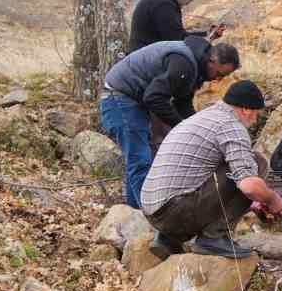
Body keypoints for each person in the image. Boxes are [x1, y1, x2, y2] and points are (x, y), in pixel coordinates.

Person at [141, 80, 282, 260]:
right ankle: (214, 237)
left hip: (152, 210)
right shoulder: (231, 126)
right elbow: (249, 186)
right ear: (246, 109)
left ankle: (169, 238)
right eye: (256, 114)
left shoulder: (202, 117)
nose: (255, 120)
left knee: (224, 166)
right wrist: (273, 199)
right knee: (257, 162)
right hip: (174, 212)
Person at [100, 36, 241, 208]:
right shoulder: (184, 64)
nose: (217, 80)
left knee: (143, 157)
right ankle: (150, 215)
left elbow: (182, 104)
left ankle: (134, 211)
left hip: (130, 99)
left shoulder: (195, 65)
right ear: (212, 60)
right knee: (141, 159)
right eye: (219, 74)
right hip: (119, 98)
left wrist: (200, 130)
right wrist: (181, 126)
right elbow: (153, 98)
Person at [129, 0, 225, 52]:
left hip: (146, 55)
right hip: (145, 63)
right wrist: (206, 39)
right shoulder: (164, 5)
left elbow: (179, 35)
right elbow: (179, 42)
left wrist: (207, 34)